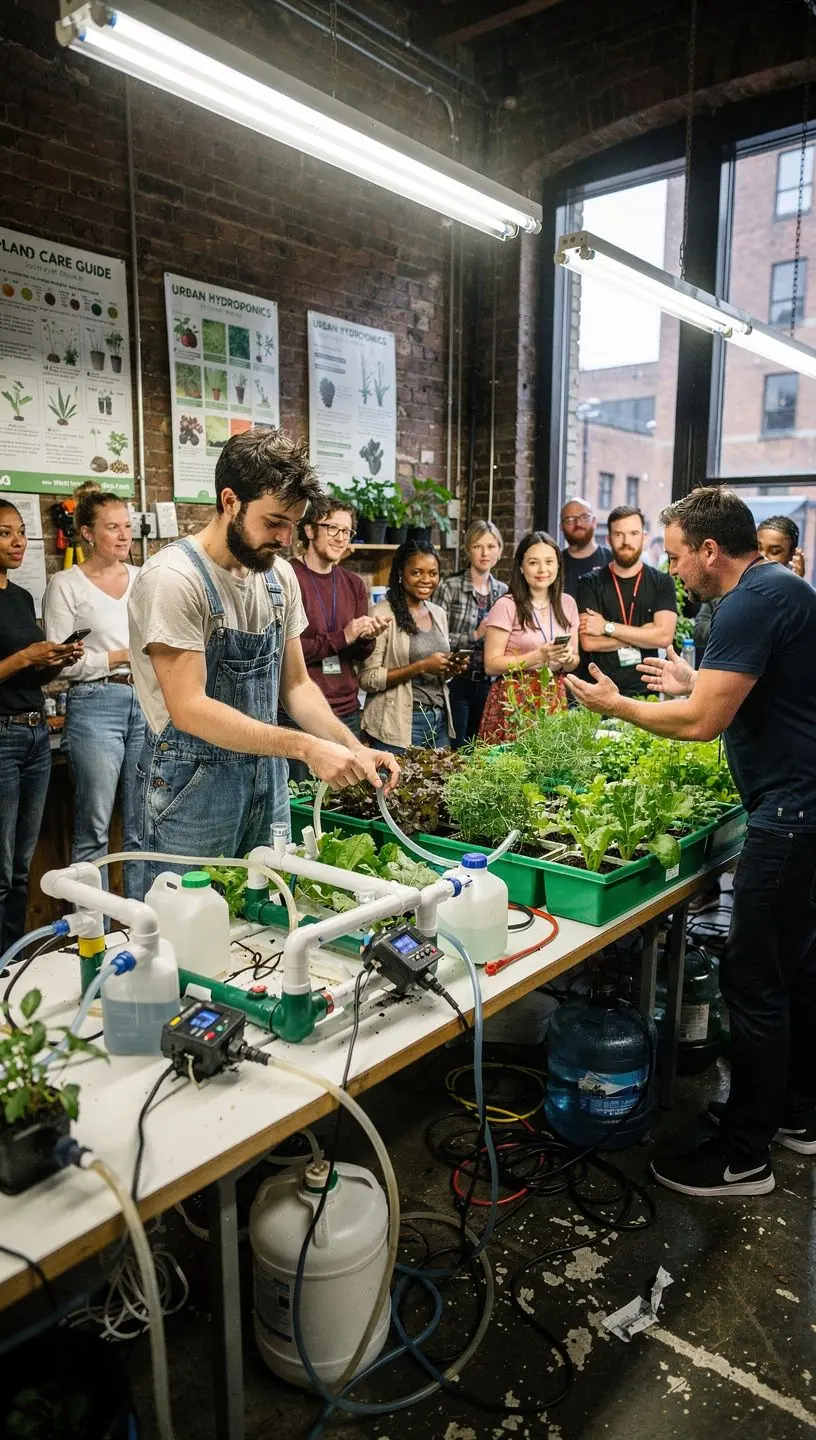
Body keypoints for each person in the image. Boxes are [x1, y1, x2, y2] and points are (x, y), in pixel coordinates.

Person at [567, 486, 816, 1200]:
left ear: (710, 550)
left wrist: (620, 704)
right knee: (797, 969)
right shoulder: (781, 589)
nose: (672, 570)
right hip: (808, 807)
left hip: (791, 816)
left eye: (676, 555)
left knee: (755, 982)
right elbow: (751, 694)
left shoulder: (746, 601)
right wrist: (691, 679)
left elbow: (702, 724)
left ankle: (744, 1157)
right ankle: (796, 1114)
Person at [128, 428, 399, 890]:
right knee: (183, 935)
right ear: (230, 501)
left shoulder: (277, 579)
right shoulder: (174, 580)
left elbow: (295, 687)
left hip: (264, 781)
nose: (285, 538)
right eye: (274, 522)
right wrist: (306, 748)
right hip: (192, 789)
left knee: (266, 923)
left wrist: (351, 747)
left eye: (293, 523)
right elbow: (189, 707)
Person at [43, 485, 145, 897]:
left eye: (127, 527)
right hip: (94, 705)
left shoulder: (144, 579)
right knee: (94, 828)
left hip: (145, 702)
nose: (124, 535)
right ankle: (92, 936)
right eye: (112, 528)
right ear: (86, 533)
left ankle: (143, 927)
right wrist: (120, 655)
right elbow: (61, 662)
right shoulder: (66, 585)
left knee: (143, 827)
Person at [0, 501, 84, 952]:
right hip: (2, 737)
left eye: (20, 532)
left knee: (20, 866)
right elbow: (15, 665)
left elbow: (31, 678)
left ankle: (10, 962)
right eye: (4, 533)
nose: (17, 542)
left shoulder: (21, 597)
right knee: (1, 869)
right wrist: (24, 657)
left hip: (33, 734)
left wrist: (55, 662)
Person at [284, 493, 390, 781]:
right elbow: (286, 651)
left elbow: (358, 655)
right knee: (301, 800)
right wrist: (343, 637)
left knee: (344, 797)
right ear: (309, 530)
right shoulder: (288, 577)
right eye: (333, 528)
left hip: (346, 711)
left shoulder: (353, 584)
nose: (341, 537)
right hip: (301, 715)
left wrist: (368, 636)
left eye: (347, 531)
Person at [358, 539, 463, 755]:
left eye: (433, 573)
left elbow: (437, 673)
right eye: (417, 572)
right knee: (396, 788)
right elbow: (367, 679)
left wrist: (450, 668)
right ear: (400, 573)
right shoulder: (382, 614)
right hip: (399, 723)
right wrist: (421, 666)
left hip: (439, 719)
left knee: (443, 786)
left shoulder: (438, 613)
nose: (426, 580)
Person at [478, 531, 579, 744]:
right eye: (534, 562)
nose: (543, 570)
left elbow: (573, 662)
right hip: (513, 698)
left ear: (558, 565)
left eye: (549, 562)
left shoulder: (568, 603)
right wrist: (536, 656)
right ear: (522, 568)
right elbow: (491, 664)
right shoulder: (506, 605)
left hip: (552, 695)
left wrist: (568, 659)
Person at [577, 505, 677, 699]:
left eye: (633, 533)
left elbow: (664, 637)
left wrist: (606, 627)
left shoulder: (663, 582)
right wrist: (645, 632)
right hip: (599, 691)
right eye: (618, 534)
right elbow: (589, 642)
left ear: (644, 537)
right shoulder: (590, 582)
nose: (626, 541)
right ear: (608, 539)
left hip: (647, 693)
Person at [436, 520, 507, 747]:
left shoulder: (504, 592)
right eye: (477, 546)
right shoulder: (449, 587)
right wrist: (473, 636)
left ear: (500, 550)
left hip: (491, 682)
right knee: (456, 749)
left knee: (484, 748)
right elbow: (435, 638)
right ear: (468, 549)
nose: (485, 553)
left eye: (491, 546)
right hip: (457, 680)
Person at [560, 497, 612, 599]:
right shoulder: (554, 564)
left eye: (584, 517)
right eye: (570, 519)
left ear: (594, 521)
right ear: (561, 526)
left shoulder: (612, 561)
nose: (578, 524)